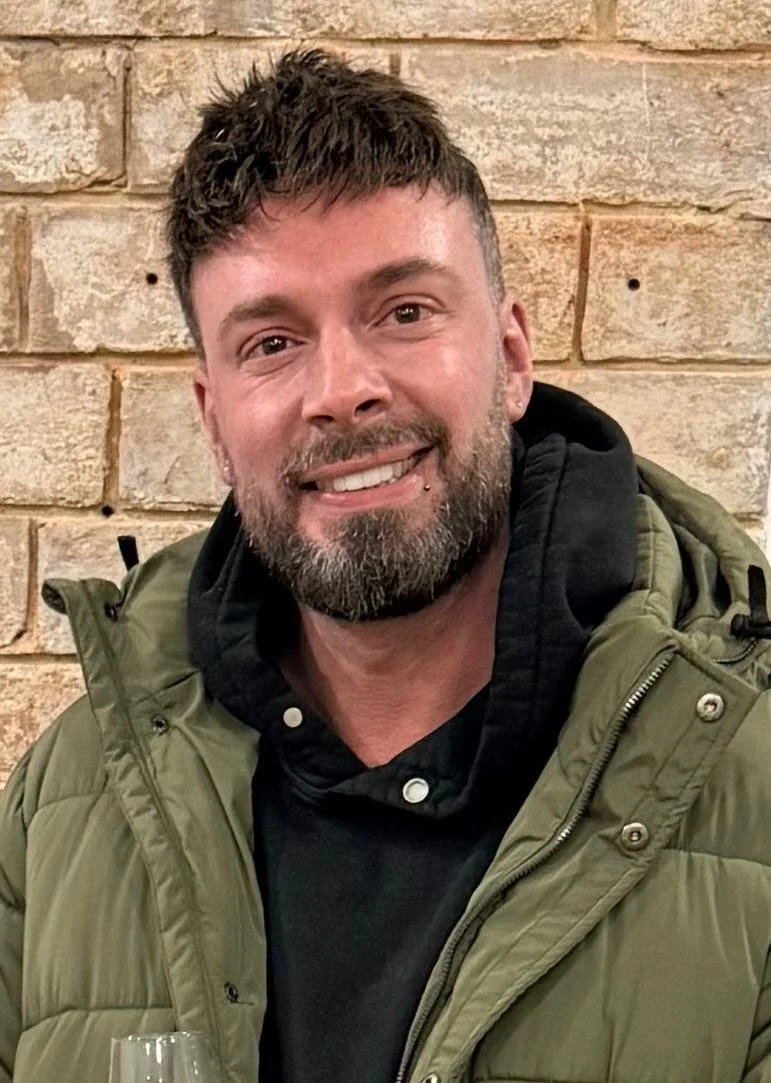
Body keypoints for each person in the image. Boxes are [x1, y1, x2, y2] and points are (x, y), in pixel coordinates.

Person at [1, 48, 769, 1083]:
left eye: (404, 311)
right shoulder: (68, 794)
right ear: (214, 421)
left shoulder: (743, 769)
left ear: (510, 358)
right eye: (272, 343)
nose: (341, 389)